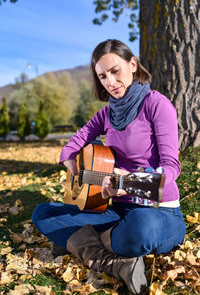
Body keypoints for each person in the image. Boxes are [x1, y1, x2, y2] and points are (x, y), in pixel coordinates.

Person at [32, 39, 186, 294]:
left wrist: (129, 182)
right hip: (116, 211)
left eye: (115, 71)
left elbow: (172, 168)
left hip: (158, 212)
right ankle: (115, 263)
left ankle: (76, 242)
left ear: (133, 65)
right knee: (43, 212)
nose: (110, 81)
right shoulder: (107, 114)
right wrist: (70, 158)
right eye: (102, 76)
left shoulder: (157, 105)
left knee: (141, 229)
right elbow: (77, 140)